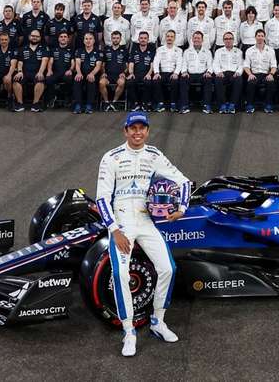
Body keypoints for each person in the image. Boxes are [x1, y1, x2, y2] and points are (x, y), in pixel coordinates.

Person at [96, 111, 189, 356]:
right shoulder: (111, 157)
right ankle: (129, 331)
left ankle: (158, 321)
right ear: (125, 131)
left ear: (147, 131)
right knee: (120, 274)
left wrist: (181, 208)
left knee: (168, 268)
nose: (137, 132)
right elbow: (102, 198)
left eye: (142, 128)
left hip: (146, 220)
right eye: (133, 128)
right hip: (122, 221)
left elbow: (184, 181)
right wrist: (114, 230)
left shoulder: (154, 155)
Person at [12, 30, 49, 112]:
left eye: (37, 36)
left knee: (40, 81)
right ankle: (20, 104)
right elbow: (20, 62)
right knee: (16, 81)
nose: (34, 38)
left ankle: (35, 104)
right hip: (25, 72)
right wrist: (20, 71)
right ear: (29, 37)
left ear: (40, 38)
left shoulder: (44, 48)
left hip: (37, 72)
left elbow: (45, 61)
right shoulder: (23, 48)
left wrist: (40, 72)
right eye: (33, 36)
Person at [243, 29, 278, 113]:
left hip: (266, 74)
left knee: (271, 82)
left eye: (262, 36)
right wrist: (250, 74)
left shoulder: (270, 50)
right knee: (251, 82)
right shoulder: (249, 50)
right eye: (258, 36)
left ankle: (268, 104)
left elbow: (274, 66)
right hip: (254, 74)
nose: (260, 38)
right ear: (255, 37)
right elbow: (246, 66)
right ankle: (250, 104)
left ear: (264, 37)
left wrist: (271, 74)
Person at [152, 30, 186, 112]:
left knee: (174, 82)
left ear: (174, 38)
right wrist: (156, 73)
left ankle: (173, 103)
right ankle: (160, 103)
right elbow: (156, 61)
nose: (169, 38)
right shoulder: (160, 49)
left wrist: (176, 73)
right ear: (165, 37)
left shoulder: (179, 50)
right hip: (162, 72)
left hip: (173, 72)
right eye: (168, 36)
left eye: (171, 36)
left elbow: (179, 63)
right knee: (156, 80)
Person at [181, 31, 214, 113]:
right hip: (190, 74)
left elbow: (210, 65)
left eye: (198, 38)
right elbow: (184, 63)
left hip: (203, 74)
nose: (196, 40)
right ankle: (184, 105)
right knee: (183, 79)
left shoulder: (207, 52)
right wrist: (184, 72)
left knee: (208, 79)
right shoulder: (187, 51)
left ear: (202, 40)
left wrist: (209, 72)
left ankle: (207, 105)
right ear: (192, 39)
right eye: (195, 38)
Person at [212, 31, 244, 113]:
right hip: (222, 73)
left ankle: (232, 104)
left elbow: (241, 64)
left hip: (234, 73)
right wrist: (218, 72)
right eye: (226, 39)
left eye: (230, 38)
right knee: (218, 80)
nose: (228, 40)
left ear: (233, 40)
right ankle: (222, 105)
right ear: (223, 40)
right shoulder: (218, 51)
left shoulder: (239, 52)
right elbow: (215, 64)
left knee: (239, 80)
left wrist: (238, 72)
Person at [73, 32, 103, 114]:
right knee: (77, 80)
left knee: (91, 80)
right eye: (86, 39)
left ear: (94, 41)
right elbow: (77, 64)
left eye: (90, 39)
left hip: (94, 74)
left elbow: (98, 66)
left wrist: (92, 74)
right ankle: (78, 105)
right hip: (82, 74)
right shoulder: (79, 51)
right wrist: (79, 73)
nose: (88, 41)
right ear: (83, 41)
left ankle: (89, 105)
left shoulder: (98, 52)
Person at [126, 31, 156, 111]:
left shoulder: (152, 50)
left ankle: (144, 103)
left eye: (145, 38)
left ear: (148, 40)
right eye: (141, 38)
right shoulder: (134, 50)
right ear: (138, 39)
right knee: (129, 82)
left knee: (148, 83)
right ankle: (135, 103)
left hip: (147, 74)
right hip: (136, 74)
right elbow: (131, 63)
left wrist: (149, 74)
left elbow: (152, 65)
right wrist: (131, 73)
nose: (143, 40)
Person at [45, 31, 75, 109]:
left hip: (66, 73)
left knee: (69, 79)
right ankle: (52, 98)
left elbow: (73, 63)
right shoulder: (53, 49)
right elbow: (50, 61)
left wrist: (70, 70)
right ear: (58, 39)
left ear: (68, 39)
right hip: (56, 72)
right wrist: (49, 70)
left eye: (65, 37)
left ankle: (67, 97)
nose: (63, 38)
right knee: (48, 79)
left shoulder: (71, 50)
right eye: (61, 37)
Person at [100, 30, 129, 110]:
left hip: (119, 75)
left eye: (117, 38)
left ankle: (114, 102)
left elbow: (127, 66)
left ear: (120, 39)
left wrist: (124, 73)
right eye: (114, 38)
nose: (115, 40)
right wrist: (103, 73)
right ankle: (106, 103)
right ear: (111, 39)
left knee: (122, 82)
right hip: (108, 75)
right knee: (101, 82)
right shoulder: (106, 49)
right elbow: (103, 64)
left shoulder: (124, 50)